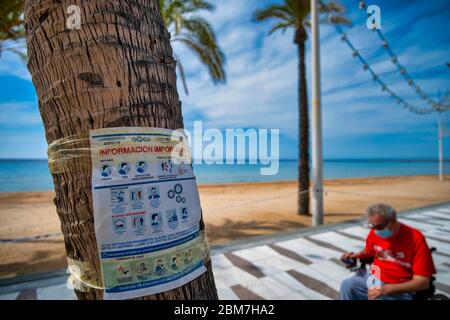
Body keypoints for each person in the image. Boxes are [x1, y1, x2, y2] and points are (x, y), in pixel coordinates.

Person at [339, 203, 436, 300]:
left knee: (379, 298)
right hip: (375, 278)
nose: (375, 230)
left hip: (400, 285)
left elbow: (422, 282)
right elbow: (369, 251)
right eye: (371, 225)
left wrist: (385, 289)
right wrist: (354, 256)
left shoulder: (415, 238)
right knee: (347, 285)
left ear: (393, 220)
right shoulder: (374, 233)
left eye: (379, 227)